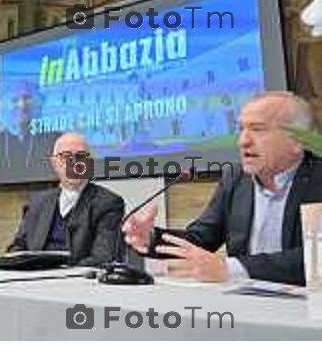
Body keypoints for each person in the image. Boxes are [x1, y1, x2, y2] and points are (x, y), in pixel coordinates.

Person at [123, 91, 322, 285]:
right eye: (241, 129)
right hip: (248, 301)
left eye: (258, 129)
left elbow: (316, 259)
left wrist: (230, 268)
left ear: (297, 142)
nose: (243, 141)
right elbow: (201, 238)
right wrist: (151, 238)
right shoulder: (236, 178)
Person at [7, 133, 125, 266]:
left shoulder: (108, 203)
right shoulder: (37, 202)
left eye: (80, 157)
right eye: (66, 157)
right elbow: (17, 248)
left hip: (76, 282)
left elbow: (102, 258)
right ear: (54, 163)